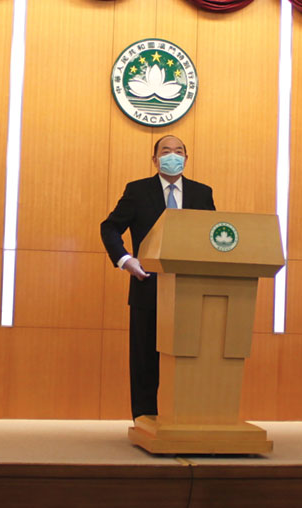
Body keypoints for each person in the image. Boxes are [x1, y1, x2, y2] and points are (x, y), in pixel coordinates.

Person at [100, 135, 215, 420]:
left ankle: (187, 418)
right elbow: (110, 228)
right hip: (147, 286)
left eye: (178, 151)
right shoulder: (137, 191)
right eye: (166, 151)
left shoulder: (202, 193)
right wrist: (126, 260)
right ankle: (144, 418)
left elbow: (211, 236)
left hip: (190, 289)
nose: (172, 156)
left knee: (190, 357)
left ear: (186, 158)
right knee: (145, 361)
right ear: (155, 159)